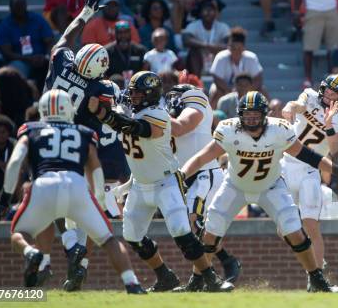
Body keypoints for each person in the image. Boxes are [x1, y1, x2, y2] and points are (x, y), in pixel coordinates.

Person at [180, 91, 338, 292]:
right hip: (235, 186)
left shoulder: (279, 130)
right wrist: (182, 174)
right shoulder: (229, 130)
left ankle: (317, 279)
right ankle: (197, 280)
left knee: (296, 231)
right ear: (240, 115)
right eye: (247, 116)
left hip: (271, 186)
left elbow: (308, 155)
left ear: (265, 115)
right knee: (210, 233)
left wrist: (335, 169)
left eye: (256, 115)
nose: (251, 120)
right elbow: (201, 158)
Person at [0, 89, 145, 293]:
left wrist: (3, 200)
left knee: (20, 234)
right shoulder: (84, 132)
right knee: (108, 240)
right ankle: (131, 283)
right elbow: (96, 169)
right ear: (69, 110)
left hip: (43, 184)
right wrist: (98, 200)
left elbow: (15, 161)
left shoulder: (30, 129)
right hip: (76, 185)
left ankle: (33, 253)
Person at [89, 72, 234, 293]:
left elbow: (140, 129)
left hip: (166, 181)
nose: (133, 97)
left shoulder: (158, 114)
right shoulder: (130, 111)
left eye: (138, 93)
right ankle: (164, 276)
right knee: (132, 236)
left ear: (150, 94)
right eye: (132, 93)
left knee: (182, 232)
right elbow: (121, 119)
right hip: (140, 184)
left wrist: (102, 113)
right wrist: (103, 107)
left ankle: (211, 278)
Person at [44, 0, 131, 290]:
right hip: (77, 146)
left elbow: (65, 40)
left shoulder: (62, 63)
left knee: (53, 204)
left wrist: (83, 15)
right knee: (77, 209)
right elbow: (106, 115)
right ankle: (78, 261)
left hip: (46, 137)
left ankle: (73, 254)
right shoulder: (99, 89)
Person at [165, 84, 242, 289]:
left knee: (194, 224)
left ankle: (199, 279)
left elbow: (180, 127)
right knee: (195, 229)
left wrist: (149, 116)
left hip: (204, 174)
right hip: (187, 176)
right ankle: (225, 261)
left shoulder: (197, 103)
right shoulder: (169, 117)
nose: (173, 101)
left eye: (177, 97)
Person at [282, 74, 338, 267]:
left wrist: (329, 124)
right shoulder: (309, 95)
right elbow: (298, 106)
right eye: (329, 88)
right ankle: (309, 259)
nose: (330, 93)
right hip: (286, 163)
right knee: (283, 227)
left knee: (312, 225)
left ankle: (317, 272)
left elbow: (335, 149)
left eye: (336, 92)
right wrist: (289, 108)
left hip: (310, 169)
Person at [0, 0, 53, 85]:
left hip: (41, 58)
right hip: (20, 60)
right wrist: (28, 59)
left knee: (54, 66)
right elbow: (6, 53)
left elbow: (49, 40)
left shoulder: (37, 19)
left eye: (22, 5)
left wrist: (46, 56)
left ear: (26, 5)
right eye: (17, 6)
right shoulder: (4, 25)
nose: (20, 8)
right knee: (13, 74)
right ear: (11, 8)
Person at [209, 29, 263, 106]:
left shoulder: (252, 58)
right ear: (229, 47)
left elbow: (258, 78)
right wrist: (230, 90)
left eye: (239, 48)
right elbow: (217, 79)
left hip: (247, 89)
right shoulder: (220, 57)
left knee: (262, 90)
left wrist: (246, 90)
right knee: (216, 92)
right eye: (233, 48)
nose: (236, 51)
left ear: (244, 48)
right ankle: (212, 116)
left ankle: (269, 113)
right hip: (225, 89)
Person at [181, 0, 229, 77]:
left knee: (225, 53)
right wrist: (206, 45)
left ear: (215, 13)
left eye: (211, 10)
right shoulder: (193, 25)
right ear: (200, 13)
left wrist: (214, 48)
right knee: (193, 51)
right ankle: (197, 81)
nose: (208, 13)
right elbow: (186, 40)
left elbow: (228, 44)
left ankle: (219, 78)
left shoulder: (223, 27)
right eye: (205, 10)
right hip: (199, 58)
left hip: (215, 56)